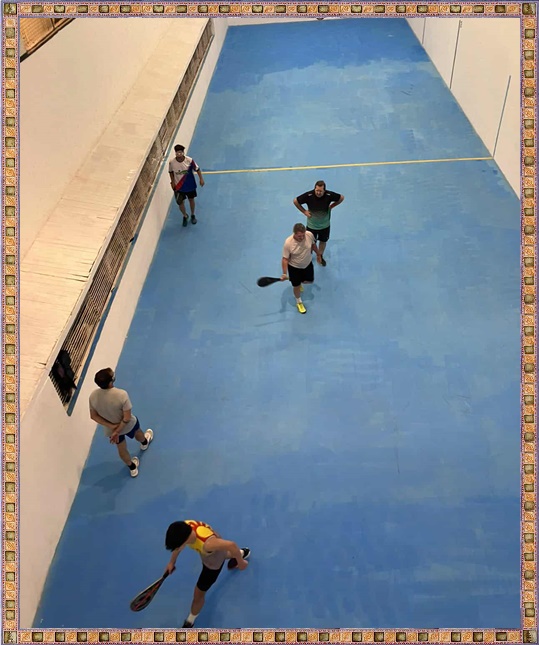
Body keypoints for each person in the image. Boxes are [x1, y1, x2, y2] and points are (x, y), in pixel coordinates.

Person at [165, 519, 250, 628]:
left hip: (212, 563)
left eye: (177, 547)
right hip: (213, 544)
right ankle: (243, 552)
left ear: (184, 541)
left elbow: (231, 545)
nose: (176, 549)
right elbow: (178, 547)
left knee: (198, 595)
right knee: (223, 553)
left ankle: (190, 621)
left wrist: (241, 563)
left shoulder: (208, 544)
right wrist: (172, 562)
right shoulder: (185, 526)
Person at [89, 368, 153, 477]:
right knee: (137, 432)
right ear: (111, 381)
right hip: (127, 426)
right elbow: (126, 418)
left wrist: (112, 427)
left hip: (112, 431)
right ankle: (144, 443)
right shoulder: (121, 395)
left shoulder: (93, 396)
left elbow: (93, 416)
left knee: (121, 448)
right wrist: (118, 430)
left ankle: (132, 468)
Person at [293, 180, 344, 266]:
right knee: (309, 242)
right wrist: (304, 211)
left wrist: (332, 206)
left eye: (320, 191)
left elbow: (341, 198)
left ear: (324, 190)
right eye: (317, 190)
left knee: (323, 241)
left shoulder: (329, 195)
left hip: (325, 225)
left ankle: (320, 256)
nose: (318, 193)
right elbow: (295, 201)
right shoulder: (309, 195)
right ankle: (308, 256)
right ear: (314, 189)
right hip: (311, 226)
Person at [281, 222, 322, 314]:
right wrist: (284, 273)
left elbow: (313, 245)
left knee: (309, 281)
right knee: (296, 286)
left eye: (303, 235)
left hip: (307, 264)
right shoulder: (288, 243)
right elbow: (285, 259)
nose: (302, 237)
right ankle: (298, 301)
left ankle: (298, 282)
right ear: (294, 233)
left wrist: (318, 254)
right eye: (299, 236)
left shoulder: (309, 235)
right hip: (294, 267)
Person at [168, 144, 205, 227]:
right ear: (175, 153)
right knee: (180, 203)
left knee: (191, 200)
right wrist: (172, 182)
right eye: (177, 153)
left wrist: (201, 179)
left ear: (183, 152)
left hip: (190, 185)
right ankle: (185, 216)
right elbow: (170, 172)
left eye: (180, 152)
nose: (179, 154)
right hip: (178, 187)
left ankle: (192, 215)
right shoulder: (171, 162)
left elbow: (197, 169)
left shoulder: (189, 160)